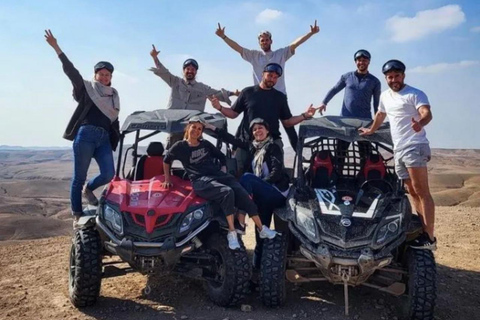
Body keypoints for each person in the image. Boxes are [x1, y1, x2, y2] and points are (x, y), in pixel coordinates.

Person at [162, 116, 277, 250]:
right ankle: (232, 232)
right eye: (194, 127)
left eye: (200, 129)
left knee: (241, 192)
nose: (197, 131)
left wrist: (223, 168)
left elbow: (221, 157)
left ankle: (261, 228)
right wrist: (167, 178)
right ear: (188, 128)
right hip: (200, 180)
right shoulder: (180, 146)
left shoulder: (205, 144)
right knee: (226, 192)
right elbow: (166, 160)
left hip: (217, 175)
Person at [45, 30, 120, 226]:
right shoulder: (87, 88)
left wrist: (118, 138)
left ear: (111, 77)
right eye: (101, 74)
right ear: (95, 75)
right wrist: (56, 48)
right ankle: (77, 213)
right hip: (86, 135)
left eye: (107, 75)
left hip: (103, 138)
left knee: (108, 174)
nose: (104, 77)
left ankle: (90, 189)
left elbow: (114, 120)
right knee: (79, 177)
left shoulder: (113, 95)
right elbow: (71, 71)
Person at [359, 59, 436, 250]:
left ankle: (430, 238)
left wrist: (421, 123)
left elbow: (426, 113)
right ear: (386, 78)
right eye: (390, 77)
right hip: (398, 149)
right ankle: (422, 231)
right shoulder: (385, 96)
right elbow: (380, 115)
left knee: (422, 191)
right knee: (411, 191)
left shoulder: (414, 94)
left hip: (414, 145)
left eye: (397, 76)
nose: (394, 80)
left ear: (403, 75)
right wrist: (371, 130)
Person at [215, 21, 320, 154]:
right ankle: (235, 152)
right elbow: (238, 48)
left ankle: (299, 157)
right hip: (257, 95)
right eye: (262, 40)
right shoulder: (254, 55)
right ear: (259, 43)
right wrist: (223, 37)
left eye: (266, 40)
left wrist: (310, 33)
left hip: (278, 96)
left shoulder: (280, 54)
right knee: (246, 122)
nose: (264, 42)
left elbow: (296, 44)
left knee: (288, 126)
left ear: (271, 41)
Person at [205, 118, 289, 268]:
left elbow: (277, 172)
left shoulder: (273, 147)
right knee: (260, 232)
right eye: (255, 129)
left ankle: (241, 223)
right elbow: (233, 139)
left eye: (260, 128)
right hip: (262, 197)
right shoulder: (253, 148)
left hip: (275, 192)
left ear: (267, 130)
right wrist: (211, 127)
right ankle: (257, 269)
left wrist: (260, 185)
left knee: (247, 178)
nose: (258, 131)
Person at [209, 63, 317, 174]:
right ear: (262, 74)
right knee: (240, 176)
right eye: (270, 75)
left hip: (272, 144)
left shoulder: (280, 97)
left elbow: (287, 122)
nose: (272, 79)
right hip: (247, 143)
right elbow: (233, 113)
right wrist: (220, 107)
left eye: (275, 78)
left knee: (275, 176)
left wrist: (304, 115)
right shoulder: (247, 92)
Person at [149, 44, 238, 148]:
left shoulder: (202, 88)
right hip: (174, 126)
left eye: (193, 69)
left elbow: (218, 94)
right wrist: (155, 58)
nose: (190, 71)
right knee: (170, 153)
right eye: (188, 68)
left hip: (194, 129)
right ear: (184, 70)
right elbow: (164, 72)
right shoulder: (175, 82)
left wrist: (234, 93)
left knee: (198, 153)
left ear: (196, 72)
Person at [318, 49, 381, 173]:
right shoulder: (347, 77)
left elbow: (377, 103)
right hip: (345, 122)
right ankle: (336, 179)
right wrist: (324, 102)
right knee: (340, 154)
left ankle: (362, 179)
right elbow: (334, 89)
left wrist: (376, 122)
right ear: (355, 62)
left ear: (369, 62)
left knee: (365, 155)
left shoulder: (374, 81)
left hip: (364, 123)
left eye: (364, 60)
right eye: (359, 60)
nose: (361, 62)